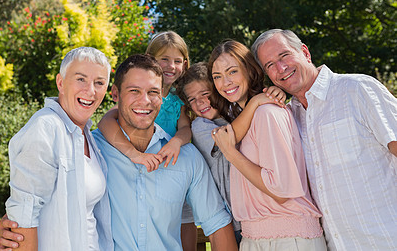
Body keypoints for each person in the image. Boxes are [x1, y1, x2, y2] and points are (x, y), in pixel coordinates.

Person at [0, 54, 237, 251]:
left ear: (162, 98)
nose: (145, 101)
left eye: (153, 92)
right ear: (115, 95)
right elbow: (36, 197)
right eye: (134, 91)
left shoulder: (186, 158)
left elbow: (217, 225)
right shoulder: (92, 150)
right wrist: (11, 225)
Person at [250, 29, 397, 251]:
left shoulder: (357, 89)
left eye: (284, 56)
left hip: (386, 239)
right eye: (270, 65)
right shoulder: (288, 118)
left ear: (305, 52)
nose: (281, 68)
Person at [209, 40, 327, 251]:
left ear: (249, 70)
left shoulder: (267, 113)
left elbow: (280, 191)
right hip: (257, 237)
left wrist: (231, 154)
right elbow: (224, 136)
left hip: (289, 239)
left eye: (232, 71)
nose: (225, 82)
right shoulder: (248, 116)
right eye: (217, 76)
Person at [3, 47, 113, 250]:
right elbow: (24, 214)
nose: (91, 90)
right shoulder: (45, 127)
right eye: (81, 79)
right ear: (60, 83)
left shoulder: (87, 135)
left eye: (99, 82)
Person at [98, 31, 196, 250]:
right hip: (138, 164)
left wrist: (176, 142)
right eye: (165, 59)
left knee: (184, 217)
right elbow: (105, 122)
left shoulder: (178, 101)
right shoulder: (135, 96)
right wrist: (133, 154)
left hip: (170, 166)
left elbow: (185, 129)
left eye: (178, 61)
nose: (171, 66)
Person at [176, 62, 286, 246]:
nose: (200, 102)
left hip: (262, 211)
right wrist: (257, 101)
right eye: (192, 99)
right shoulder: (200, 127)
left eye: (205, 94)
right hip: (234, 221)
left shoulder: (236, 113)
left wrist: (273, 93)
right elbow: (227, 137)